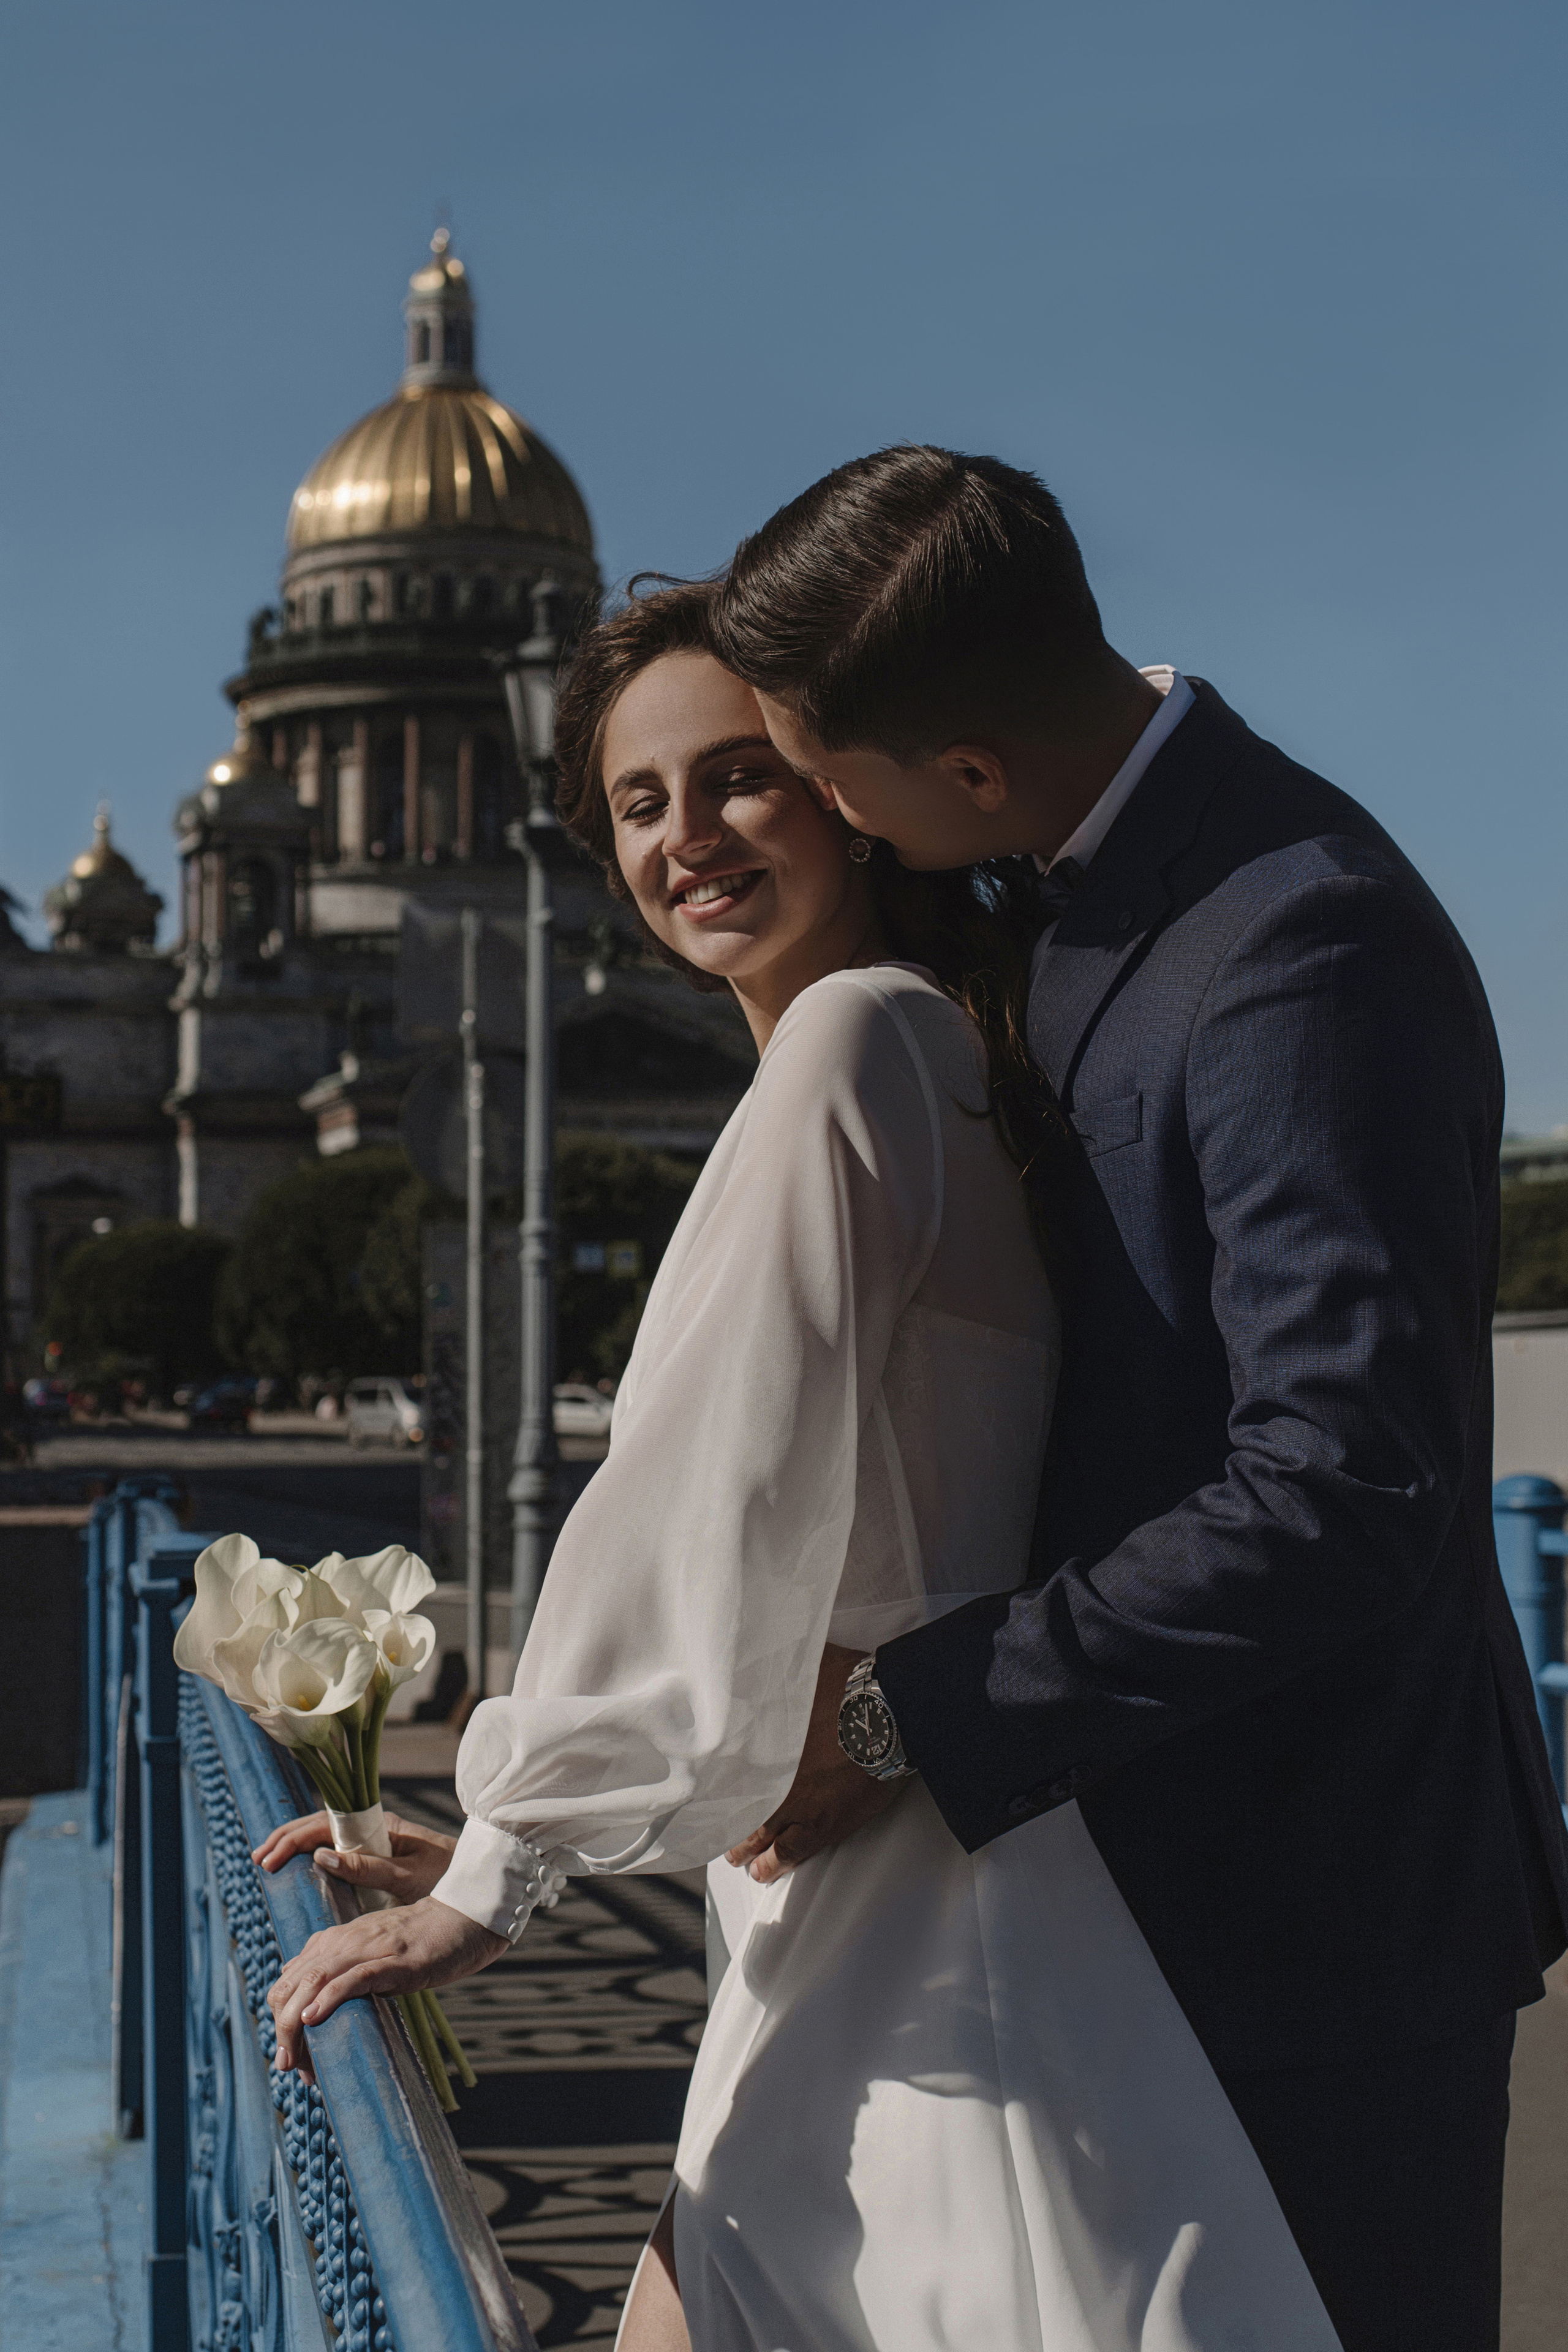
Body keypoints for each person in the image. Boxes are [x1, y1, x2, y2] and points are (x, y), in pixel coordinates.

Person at [260, 582, 1343, 2349]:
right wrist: (508, 1836)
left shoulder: (851, 1048)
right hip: (906, 1873)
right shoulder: (930, 1049)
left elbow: (708, 1492)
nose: (685, 838)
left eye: (737, 778)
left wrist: (500, 1873)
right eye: (636, 801)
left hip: (904, 1919)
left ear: (842, 791)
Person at [696, 445, 1568, 2352]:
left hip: (1301, 1911)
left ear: (976, 774)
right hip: (1117, 1882)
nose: (817, 818)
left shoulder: (1294, 945)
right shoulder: (1079, 868)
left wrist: (893, 1710)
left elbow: (1339, 1488)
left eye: (828, 779)